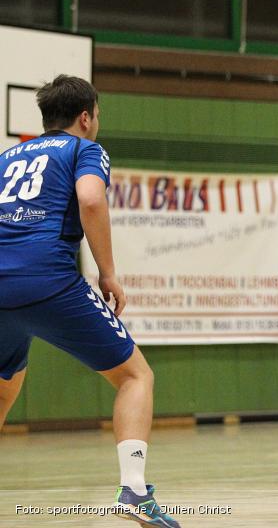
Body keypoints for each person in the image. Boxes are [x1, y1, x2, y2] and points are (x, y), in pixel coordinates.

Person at [0, 75, 180, 528]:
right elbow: (91, 200)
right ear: (86, 116)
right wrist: (109, 272)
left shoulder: (6, 157)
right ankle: (134, 491)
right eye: (97, 115)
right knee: (135, 375)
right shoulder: (85, 149)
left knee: (5, 387)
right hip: (48, 279)